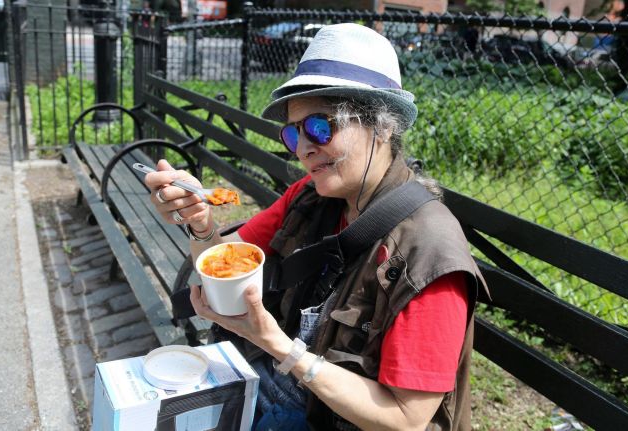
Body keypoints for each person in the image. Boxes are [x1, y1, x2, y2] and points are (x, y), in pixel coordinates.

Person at [144, 23, 487, 431]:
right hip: (283, 388)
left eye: (321, 126)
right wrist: (200, 225)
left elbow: (405, 418)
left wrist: (278, 345)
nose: (305, 148)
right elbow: (222, 265)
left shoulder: (429, 255)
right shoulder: (309, 196)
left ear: (384, 125)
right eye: (293, 133)